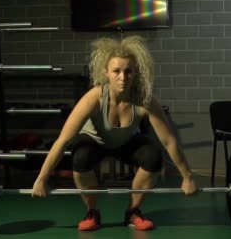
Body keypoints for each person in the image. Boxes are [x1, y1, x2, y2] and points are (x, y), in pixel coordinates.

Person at [31, 36, 197, 231]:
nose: (123, 77)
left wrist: (187, 176)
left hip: (125, 142)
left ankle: (133, 211)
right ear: (106, 73)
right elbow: (63, 140)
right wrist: (42, 178)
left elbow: (169, 141)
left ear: (136, 72)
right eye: (116, 71)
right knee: (80, 157)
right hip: (94, 141)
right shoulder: (94, 98)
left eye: (128, 71)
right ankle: (92, 212)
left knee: (153, 157)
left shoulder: (145, 100)